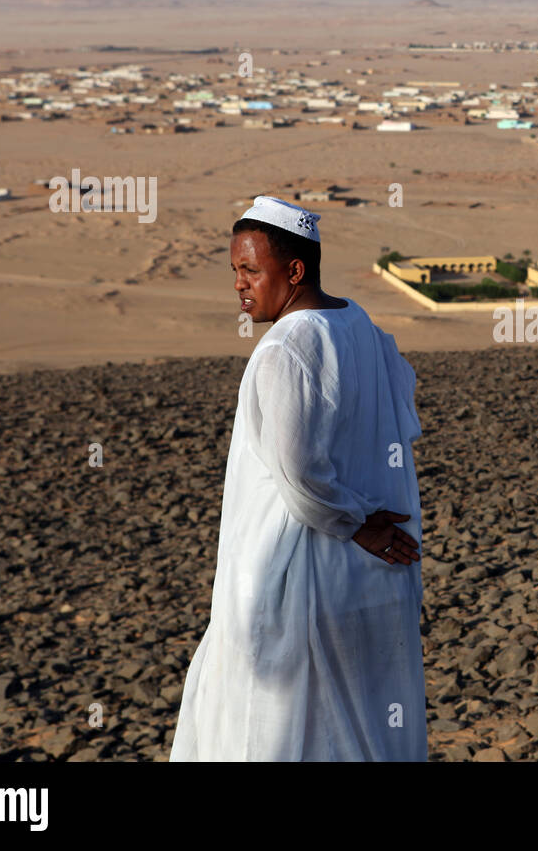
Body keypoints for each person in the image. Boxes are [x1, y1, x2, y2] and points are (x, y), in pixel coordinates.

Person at [170, 195, 426, 761]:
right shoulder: (360, 323)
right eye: (235, 271)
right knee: (360, 720)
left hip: (300, 573)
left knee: (276, 728)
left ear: (294, 271)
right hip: (369, 576)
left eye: (251, 271)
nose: (239, 285)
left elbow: (300, 470)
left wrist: (357, 525)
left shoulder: (287, 346)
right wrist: (367, 526)